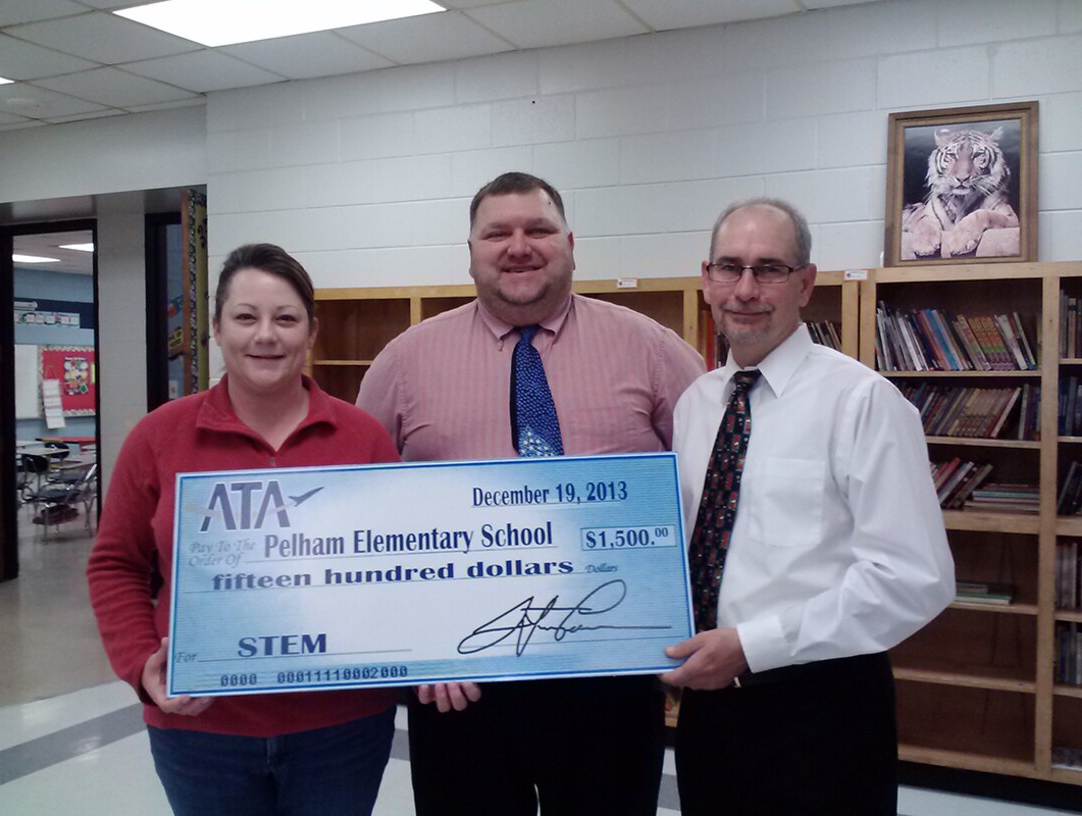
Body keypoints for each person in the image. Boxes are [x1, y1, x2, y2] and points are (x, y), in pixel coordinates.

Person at [357, 171, 705, 815]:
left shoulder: (652, 351)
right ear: (470, 251)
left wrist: (684, 619)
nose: (519, 246)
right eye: (498, 233)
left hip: (611, 671)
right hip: (460, 682)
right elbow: (361, 517)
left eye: (538, 230)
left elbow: (712, 490)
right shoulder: (402, 364)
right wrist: (407, 649)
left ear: (570, 243)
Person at [661, 198, 955, 815]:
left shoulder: (862, 403)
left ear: (805, 284)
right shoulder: (696, 404)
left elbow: (914, 580)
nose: (745, 289)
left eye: (769, 268)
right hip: (710, 710)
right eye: (729, 268)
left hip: (824, 709)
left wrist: (754, 646)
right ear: (707, 279)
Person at [87, 243, 400, 816]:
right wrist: (139, 664)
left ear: (310, 332)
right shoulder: (158, 437)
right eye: (246, 317)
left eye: (285, 318)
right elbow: (115, 563)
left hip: (343, 727)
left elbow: (399, 566)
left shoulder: (365, 439)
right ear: (216, 329)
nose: (266, 335)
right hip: (202, 727)